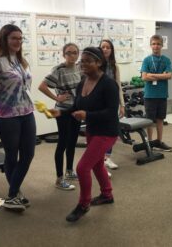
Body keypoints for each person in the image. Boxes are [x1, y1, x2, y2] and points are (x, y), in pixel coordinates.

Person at [49, 47, 119, 222]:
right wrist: (61, 113)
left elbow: (111, 112)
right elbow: (77, 105)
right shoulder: (83, 82)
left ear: (99, 63)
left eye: (88, 61)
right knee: (96, 165)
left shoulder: (109, 84)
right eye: (83, 61)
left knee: (82, 168)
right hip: (92, 130)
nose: (83, 64)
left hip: (107, 131)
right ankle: (107, 195)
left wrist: (87, 115)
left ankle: (84, 204)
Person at [0, 24, 36, 212]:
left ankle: (13, 193)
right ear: (4, 39)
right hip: (7, 117)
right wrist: (0, 109)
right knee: (11, 154)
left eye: (20, 38)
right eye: (14, 38)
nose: (18, 41)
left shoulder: (20, 60)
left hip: (27, 113)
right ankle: (14, 195)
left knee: (28, 154)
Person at [38, 43, 81, 190]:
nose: (72, 56)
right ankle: (59, 178)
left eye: (75, 53)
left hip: (75, 111)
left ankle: (69, 171)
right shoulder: (58, 70)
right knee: (62, 143)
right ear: (64, 54)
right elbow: (42, 86)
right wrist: (57, 99)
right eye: (69, 53)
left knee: (72, 142)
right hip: (62, 112)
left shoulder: (79, 68)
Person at [140, 34, 172, 152]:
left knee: (160, 119)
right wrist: (162, 75)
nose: (156, 46)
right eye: (153, 44)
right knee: (150, 120)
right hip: (150, 95)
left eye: (158, 44)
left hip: (162, 95)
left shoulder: (166, 60)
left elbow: (169, 75)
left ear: (162, 45)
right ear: (150, 45)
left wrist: (152, 75)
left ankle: (158, 141)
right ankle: (150, 143)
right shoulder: (147, 60)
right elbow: (144, 77)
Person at [100, 39, 125, 171]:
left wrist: (122, 105)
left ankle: (107, 158)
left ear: (111, 50)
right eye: (103, 47)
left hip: (112, 103)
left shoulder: (115, 67)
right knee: (100, 134)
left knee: (111, 132)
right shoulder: (96, 65)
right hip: (98, 104)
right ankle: (100, 162)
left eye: (108, 47)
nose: (105, 49)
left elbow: (118, 86)